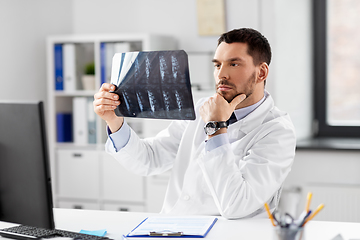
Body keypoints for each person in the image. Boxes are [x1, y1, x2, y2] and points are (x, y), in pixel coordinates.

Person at [93, 28, 296, 219]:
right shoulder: (201, 109)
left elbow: (236, 205)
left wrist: (216, 126)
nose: (221, 75)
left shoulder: (277, 131)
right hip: (174, 228)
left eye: (234, 64)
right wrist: (114, 121)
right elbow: (150, 159)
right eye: (217, 65)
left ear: (261, 73)